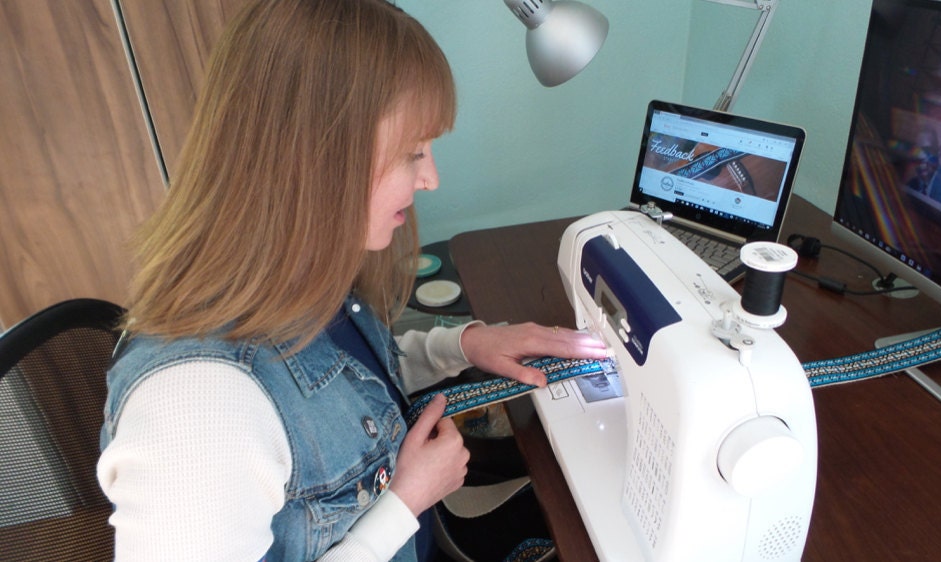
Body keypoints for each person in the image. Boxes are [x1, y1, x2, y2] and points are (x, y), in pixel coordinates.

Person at [95, 1, 606, 561]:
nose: (431, 178)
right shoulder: (198, 412)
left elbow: (337, 390)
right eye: (414, 153)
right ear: (314, 158)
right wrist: (404, 504)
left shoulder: (295, 283)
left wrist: (461, 345)